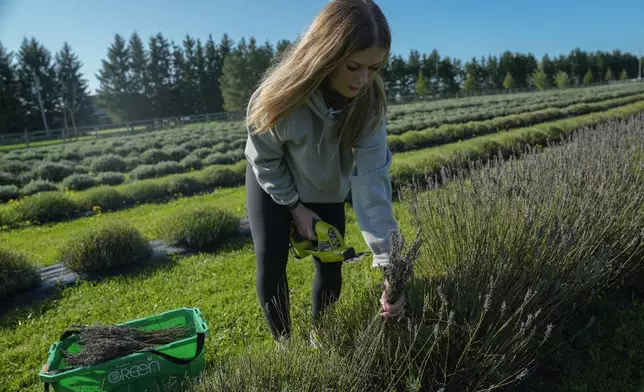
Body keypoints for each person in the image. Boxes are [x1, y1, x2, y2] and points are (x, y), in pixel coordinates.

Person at [244, 0, 405, 344]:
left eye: (375, 68)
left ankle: (322, 338)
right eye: (353, 66)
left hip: (326, 183)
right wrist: (294, 207)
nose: (363, 79)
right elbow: (264, 158)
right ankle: (285, 344)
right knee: (270, 260)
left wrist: (392, 267)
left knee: (330, 265)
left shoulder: (369, 105)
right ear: (326, 54)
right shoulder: (279, 97)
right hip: (272, 178)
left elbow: (372, 186)